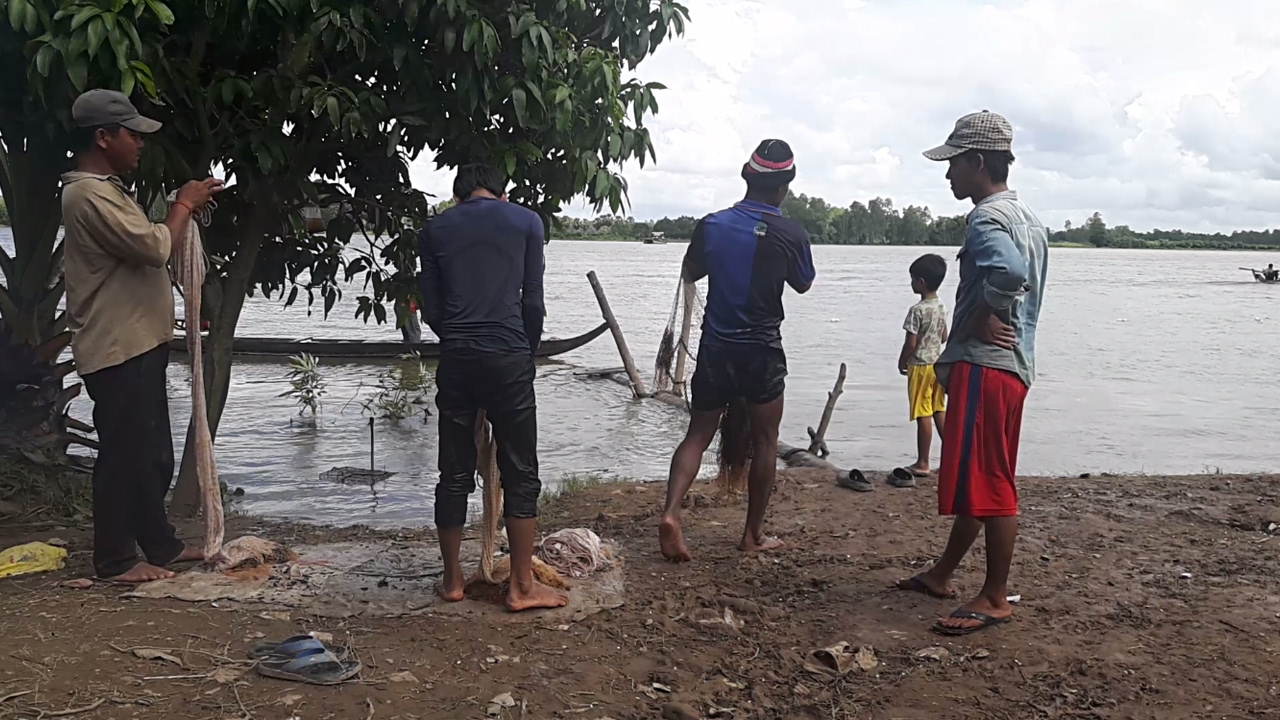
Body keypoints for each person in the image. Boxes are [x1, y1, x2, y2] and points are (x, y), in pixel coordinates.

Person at [896, 111, 1048, 635]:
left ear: (977, 162)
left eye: (953, 164)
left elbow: (1010, 273)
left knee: (991, 481)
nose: (948, 175)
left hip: (989, 367)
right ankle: (942, 574)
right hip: (1015, 369)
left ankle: (995, 596)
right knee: (980, 477)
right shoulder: (1027, 217)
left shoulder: (986, 218)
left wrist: (988, 309)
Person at [63, 89, 223, 582]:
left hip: (139, 341)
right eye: (132, 135)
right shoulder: (87, 193)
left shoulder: (109, 190)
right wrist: (182, 204)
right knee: (124, 454)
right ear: (103, 137)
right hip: (116, 345)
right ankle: (114, 559)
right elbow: (154, 247)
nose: (140, 144)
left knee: (150, 453)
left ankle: (160, 545)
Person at [658, 139, 815, 562]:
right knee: (766, 441)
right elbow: (803, 282)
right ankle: (752, 533)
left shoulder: (712, 225)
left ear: (747, 177)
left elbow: (692, 270)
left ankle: (671, 512)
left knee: (697, 434)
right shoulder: (792, 233)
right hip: (761, 350)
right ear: (785, 186)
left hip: (716, 347)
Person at [418, 164, 564, 612]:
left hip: (459, 358)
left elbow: (432, 309)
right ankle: (522, 586)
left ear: (459, 195)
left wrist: (459, 339)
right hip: (509, 357)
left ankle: (453, 579)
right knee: (521, 471)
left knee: (454, 472)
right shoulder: (526, 221)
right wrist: (525, 350)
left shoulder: (435, 229)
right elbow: (532, 300)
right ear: (502, 193)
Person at [896, 253, 949, 481]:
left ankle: (923, 462)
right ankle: (952, 458)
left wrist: (902, 361)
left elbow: (911, 343)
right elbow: (945, 335)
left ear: (921, 282)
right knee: (938, 409)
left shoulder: (917, 310)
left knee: (922, 414)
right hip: (938, 366)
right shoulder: (940, 306)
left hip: (919, 367)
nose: (911, 283)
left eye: (912, 279)